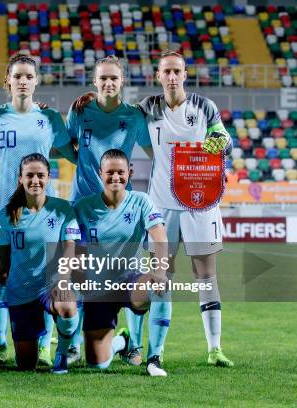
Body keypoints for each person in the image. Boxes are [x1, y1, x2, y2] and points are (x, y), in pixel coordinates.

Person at [73, 50, 234, 368]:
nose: (172, 77)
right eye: (166, 72)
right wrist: (89, 97)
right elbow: (113, 105)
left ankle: (214, 348)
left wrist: (218, 143)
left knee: (206, 274)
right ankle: (146, 349)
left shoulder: (204, 106)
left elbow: (224, 139)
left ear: (185, 73)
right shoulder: (146, 108)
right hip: (162, 201)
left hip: (200, 203)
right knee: (161, 275)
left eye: (177, 71)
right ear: (158, 76)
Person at [0, 53, 78, 365]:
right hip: (2, 207)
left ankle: (45, 343)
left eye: (29, 76)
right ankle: (2, 344)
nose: (23, 81)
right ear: (7, 81)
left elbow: (74, 155)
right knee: (1, 275)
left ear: (36, 81)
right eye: (17, 76)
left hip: (43, 212)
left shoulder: (50, 119)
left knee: (44, 275)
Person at [65, 55, 152, 366]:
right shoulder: (80, 111)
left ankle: (135, 343)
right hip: (83, 207)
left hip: (120, 212)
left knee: (131, 276)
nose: (108, 83)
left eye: (114, 78)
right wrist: (81, 165)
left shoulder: (134, 117)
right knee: (81, 279)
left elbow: (155, 153)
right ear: (94, 81)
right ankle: (78, 342)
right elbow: (66, 145)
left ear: (122, 81)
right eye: (103, 78)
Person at [73, 149, 171, 376]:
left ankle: (154, 358)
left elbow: (159, 237)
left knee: (162, 289)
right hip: (97, 288)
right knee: (97, 363)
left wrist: (160, 272)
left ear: (130, 173)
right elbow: (72, 247)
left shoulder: (142, 201)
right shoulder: (83, 207)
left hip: (130, 281)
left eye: (121, 172)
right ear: (100, 173)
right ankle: (122, 342)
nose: (115, 177)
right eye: (110, 172)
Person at [0, 153, 80, 374]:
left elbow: (70, 248)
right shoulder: (6, 215)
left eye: (40, 175)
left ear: (48, 177)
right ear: (20, 178)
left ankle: (61, 355)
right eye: (30, 175)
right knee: (26, 365)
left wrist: (63, 280)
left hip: (51, 286)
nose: (35, 181)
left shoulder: (63, 209)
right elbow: (2, 259)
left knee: (67, 303)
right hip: (21, 291)